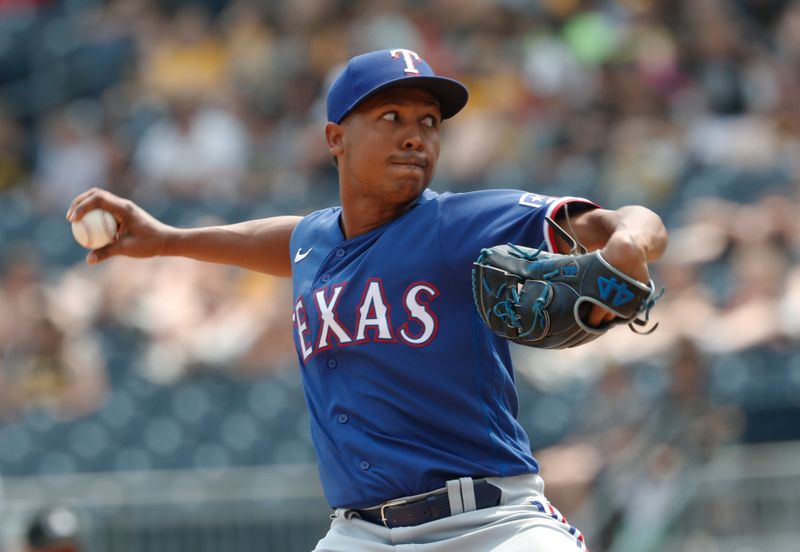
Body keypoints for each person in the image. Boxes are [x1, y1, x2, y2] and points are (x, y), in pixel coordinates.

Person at [66, 48, 668, 551]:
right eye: (392, 116)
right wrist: (167, 239)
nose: (415, 136)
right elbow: (274, 239)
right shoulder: (315, 241)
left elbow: (627, 222)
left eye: (429, 122)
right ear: (336, 138)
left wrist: (627, 247)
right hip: (359, 537)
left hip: (490, 523)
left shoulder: (459, 223)